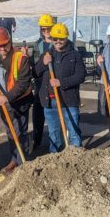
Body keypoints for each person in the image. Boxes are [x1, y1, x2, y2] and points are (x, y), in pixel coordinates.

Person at [0, 28, 33, 172]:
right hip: (2, 102)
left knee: (20, 132)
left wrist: (8, 97)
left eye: (5, 45)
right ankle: (14, 159)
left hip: (19, 102)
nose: (2, 48)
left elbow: (23, 83)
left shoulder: (20, 58)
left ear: (10, 42)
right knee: (10, 132)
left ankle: (22, 163)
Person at [34, 23, 85, 152]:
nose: (57, 41)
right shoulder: (46, 55)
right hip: (49, 102)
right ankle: (55, 160)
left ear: (66, 38)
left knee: (73, 130)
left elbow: (80, 76)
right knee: (53, 133)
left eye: (61, 38)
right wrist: (43, 63)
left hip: (68, 101)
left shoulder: (75, 55)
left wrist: (61, 82)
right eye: (55, 38)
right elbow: (35, 73)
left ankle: (76, 156)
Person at [31, 14, 55, 150]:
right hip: (40, 84)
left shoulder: (57, 43)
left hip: (52, 84)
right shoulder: (37, 45)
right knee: (37, 114)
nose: (46, 31)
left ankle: (55, 141)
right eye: (43, 29)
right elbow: (33, 66)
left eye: (48, 28)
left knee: (52, 114)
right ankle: (36, 139)